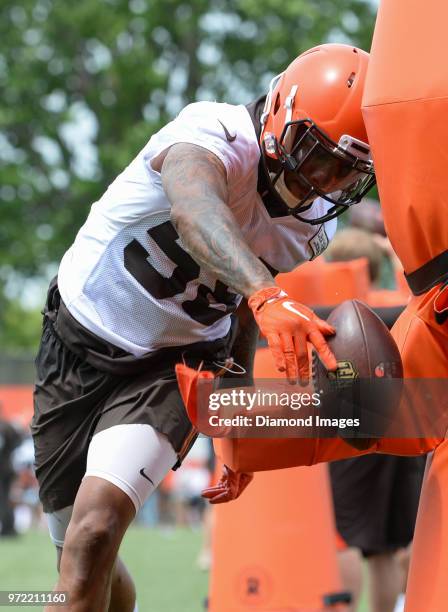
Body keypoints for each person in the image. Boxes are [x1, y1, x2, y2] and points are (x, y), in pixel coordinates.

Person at [32, 43, 375, 611]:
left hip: (175, 366)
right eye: (317, 155)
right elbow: (196, 211)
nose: (323, 181)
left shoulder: (308, 231)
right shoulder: (213, 130)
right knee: (80, 554)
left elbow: (236, 312)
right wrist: (266, 293)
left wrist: (233, 428)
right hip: (76, 342)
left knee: (92, 536)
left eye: (345, 172)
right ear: (279, 115)